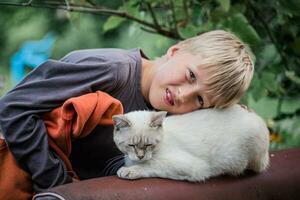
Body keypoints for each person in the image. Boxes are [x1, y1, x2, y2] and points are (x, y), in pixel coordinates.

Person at [0, 30, 255, 192]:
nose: (183, 95)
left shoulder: (164, 114)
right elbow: (13, 108)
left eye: (199, 100)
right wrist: (59, 186)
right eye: (190, 75)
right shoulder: (111, 70)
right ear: (175, 51)